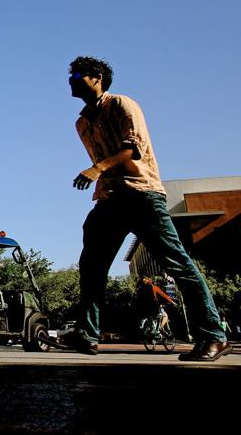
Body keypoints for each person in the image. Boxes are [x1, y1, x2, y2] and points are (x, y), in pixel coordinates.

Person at [47, 56, 229, 361]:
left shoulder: (122, 105)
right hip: (109, 200)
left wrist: (96, 169)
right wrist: (100, 176)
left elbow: (133, 150)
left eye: (78, 74)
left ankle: (213, 335)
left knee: (178, 265)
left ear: (98, 77)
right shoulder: (82, 123)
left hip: (142, 195)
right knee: (91, 266)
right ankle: (87, 334)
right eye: (70, 75)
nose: (71, 80)